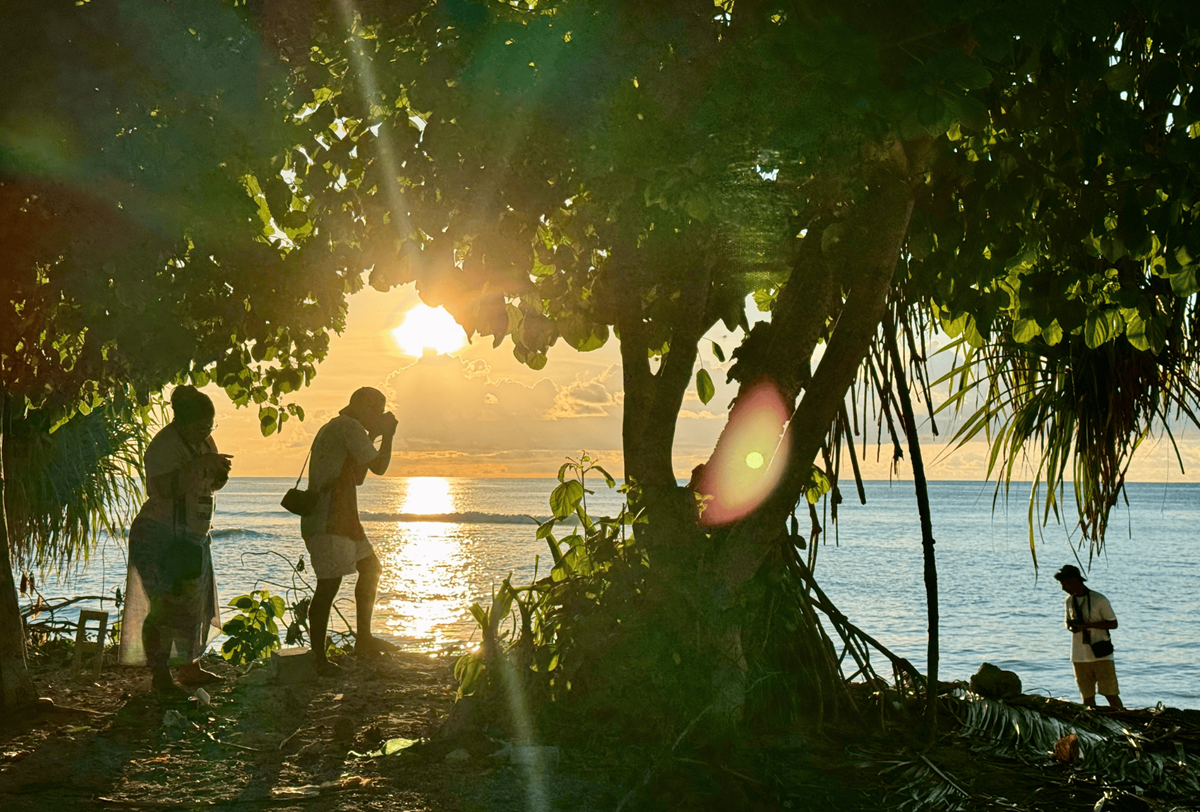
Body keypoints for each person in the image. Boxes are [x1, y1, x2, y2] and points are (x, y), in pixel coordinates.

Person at [120, 386, 232, 693]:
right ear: (180, 421)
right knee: (164, 606)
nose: (205, 433)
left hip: (193, 536)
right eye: (199, 427)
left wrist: (219, 474)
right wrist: (196, 467)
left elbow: (209, 484)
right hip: (159, 535)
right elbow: (162, 489)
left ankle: (189, 667)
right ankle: (161, 677)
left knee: (194, 607)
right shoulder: (163, 446)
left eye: (210, 427)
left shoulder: (204, 440)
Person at [301, 386, 399, 673]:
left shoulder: (341, 427)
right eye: (378, 411)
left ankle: (364, 639)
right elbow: (380, 466)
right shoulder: (349, 426)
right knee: (328, 586)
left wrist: (374, 436)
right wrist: (388, 436)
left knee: (370, 568)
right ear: (365, 408)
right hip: (330, 517)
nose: (380, 416)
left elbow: (357, 477)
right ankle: (318, 659)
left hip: (341, 516)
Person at [1054, 564, 1123, 709]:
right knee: (1087, 697)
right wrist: (1071, 627)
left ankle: (1124, 721)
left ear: (1074, 580)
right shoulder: (1069, 601)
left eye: (1064, 584)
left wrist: (1087, 626)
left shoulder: (1099, 599)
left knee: (1111, 694)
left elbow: (1113, 623)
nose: (1063, 588)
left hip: (1100, 655)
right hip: (1079, 656)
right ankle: (1093, 724)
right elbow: (1067, 622)